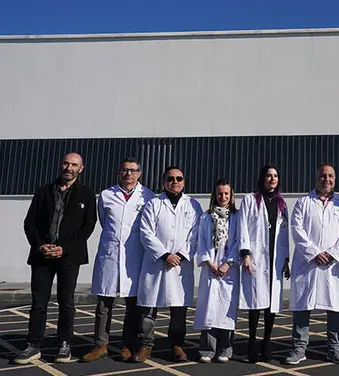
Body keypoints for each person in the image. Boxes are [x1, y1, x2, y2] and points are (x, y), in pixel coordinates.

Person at [15, 152, 97, 365]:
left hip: (69, 257)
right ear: (61, 165)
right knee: (38, 303)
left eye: (74, 165)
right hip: (42, 255)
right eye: (66, 163)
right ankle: (33, 345)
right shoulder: (44, 191)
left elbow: (87, 228)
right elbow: (29, 223)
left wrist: (64, 249)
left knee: (66, 302)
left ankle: (64, 344)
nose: (69, 168)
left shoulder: (87, 194)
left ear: (81, 168)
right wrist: (41, 245)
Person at [82, 158, 155, 363]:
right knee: (104, 304)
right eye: (124, 170)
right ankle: (100, 344)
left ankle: (128, 344)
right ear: (118, 172)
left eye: (133, 170)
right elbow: (105, 221)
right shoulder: (106, 195)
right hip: (110, 254)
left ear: (139, 173)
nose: (128, 174)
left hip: (134, 256)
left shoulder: (148, 196)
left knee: (132, 306)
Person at [284, 163, 339, 365]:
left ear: (335, 179)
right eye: (323, 176)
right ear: (317, 178)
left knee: (335, 306)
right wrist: (314, 253)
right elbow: (297, 230)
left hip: (334, 266)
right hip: (308, 264)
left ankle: (334, 348)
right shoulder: (303, 202)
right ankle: (299, 348)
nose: (327, 179)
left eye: (330, 176)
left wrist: (332, 254)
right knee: (303, 305)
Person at [133, 166, 202, 363]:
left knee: (179, 309)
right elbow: (145, 233)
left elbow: (195, 235)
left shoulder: (193, 205)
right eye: (170, 179)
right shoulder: (153, 204)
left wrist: (179, 255)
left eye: (179, 178)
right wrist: (164, 255)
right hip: (156, 263)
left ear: (184, 181)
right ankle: (145, 345)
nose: (175, 182)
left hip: (181, 265)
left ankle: (177, 345)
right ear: (164, 182)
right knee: (148, 308)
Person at [239, 164, 290, 363]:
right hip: (256, 258)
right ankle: (251, 341)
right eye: (268, 175)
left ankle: (266, 342)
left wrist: (286, 259)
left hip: (275, 259)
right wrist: (245, 253)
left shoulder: (281, 204)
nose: (272, 179)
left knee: (271, 306)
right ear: (262, 178)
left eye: (275, 175)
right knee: (255, 304)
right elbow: (242, 225)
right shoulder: (250, 200)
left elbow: (284, 234)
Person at [194, 179, 242, 363]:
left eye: (226, 194)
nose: (223, 197)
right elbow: (201, 242)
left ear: (231, 196)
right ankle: (207, 349)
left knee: (226, 311)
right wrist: (209, 262)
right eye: (220, 194)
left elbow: (239, 241)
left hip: (229, 270)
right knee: (209, 309)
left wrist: (228, 263)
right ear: (215, 195)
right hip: (211, 269)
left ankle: (225, 349)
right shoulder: (206, 217)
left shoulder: (237, 217)